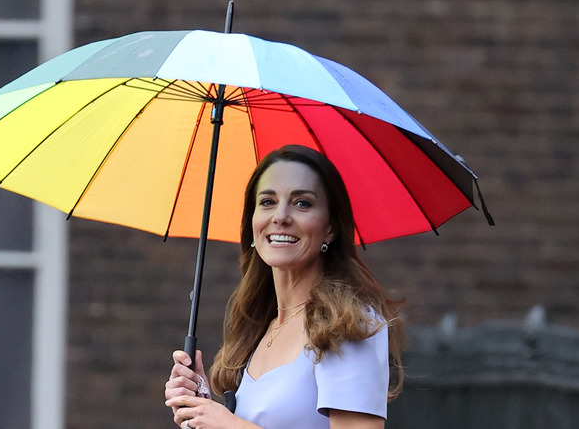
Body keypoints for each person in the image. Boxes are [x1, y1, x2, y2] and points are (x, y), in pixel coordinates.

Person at [165, 145, 406, 429]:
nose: (280, 216)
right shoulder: (260, 329)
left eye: (302, 203)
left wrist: (231, 426)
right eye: (267, 202)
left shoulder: (349, 325)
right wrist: (202, 407)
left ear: (331, 227)